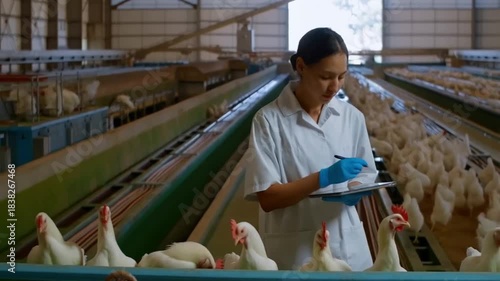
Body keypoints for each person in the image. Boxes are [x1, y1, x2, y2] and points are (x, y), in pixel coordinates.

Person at [243, 27, 378, 271]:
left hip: (348, 248)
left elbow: (366, 173)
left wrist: (356, 188)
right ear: (302, 67)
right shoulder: (269, 120)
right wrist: (323, 178)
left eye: (342, 76)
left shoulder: (352, 117)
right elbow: (268, 197)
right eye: (326, 76)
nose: (335, 86)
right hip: (295, 253)